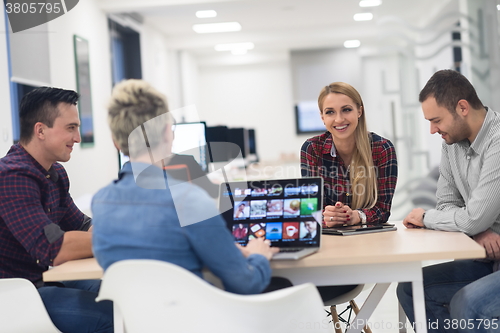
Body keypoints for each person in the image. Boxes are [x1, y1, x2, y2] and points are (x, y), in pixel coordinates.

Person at [91, 79, 278, 295]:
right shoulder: (189, 199)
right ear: (168, 134)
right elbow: (246, 283)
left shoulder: (101, 202)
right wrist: (259, 255)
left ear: (115, 141)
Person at [0, 87, 113, 332]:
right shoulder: (12, 177)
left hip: (39, 282)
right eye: (71, 128)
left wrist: (108, 230)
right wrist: (116, 237)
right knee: (110, 316)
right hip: (13, 295)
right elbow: (53, 247)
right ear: (40, 130)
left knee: (119, 293)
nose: (78, 138)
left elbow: (81, 224)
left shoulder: (54, 173)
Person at [397, 69, 500, 333]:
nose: (432, 130)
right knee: (411, 289)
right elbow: (446, 203)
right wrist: (478, 229)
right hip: (486, 256)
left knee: (470, 304)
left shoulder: (498, 142)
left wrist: (425, 217)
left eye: (436, 120)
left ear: (462, 107)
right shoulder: (451, 143)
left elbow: (472, 217)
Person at [301, 82, 398, 227]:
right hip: (330, 239)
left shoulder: (382, 149)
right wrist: (329, 217)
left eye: (346, 110)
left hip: (369, 240)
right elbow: (310, 211)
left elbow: (382, 210)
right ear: (322, 117)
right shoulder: (312, 149)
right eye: (330, 112)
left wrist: (357, 216)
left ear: (359, 111)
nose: (339, 119)